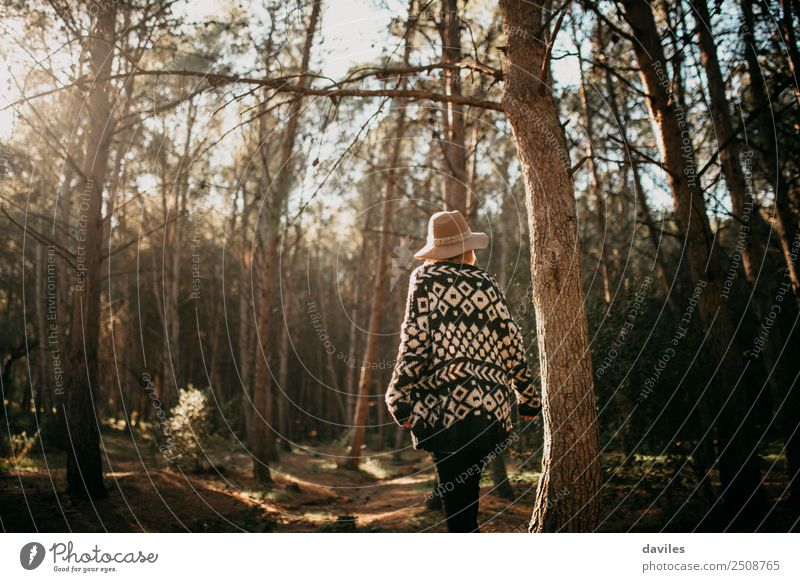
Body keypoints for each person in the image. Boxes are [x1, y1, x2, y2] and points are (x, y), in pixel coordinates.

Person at [385, 209, 542, 533]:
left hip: (443, 408)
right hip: (488, 409)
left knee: (456, 498)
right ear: (467, 247)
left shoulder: (424, 279)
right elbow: (510, 338)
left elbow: (415, 341)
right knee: (466, 494)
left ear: (436, 247)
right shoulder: (486, 282)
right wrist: (527, 397)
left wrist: (398, 396)